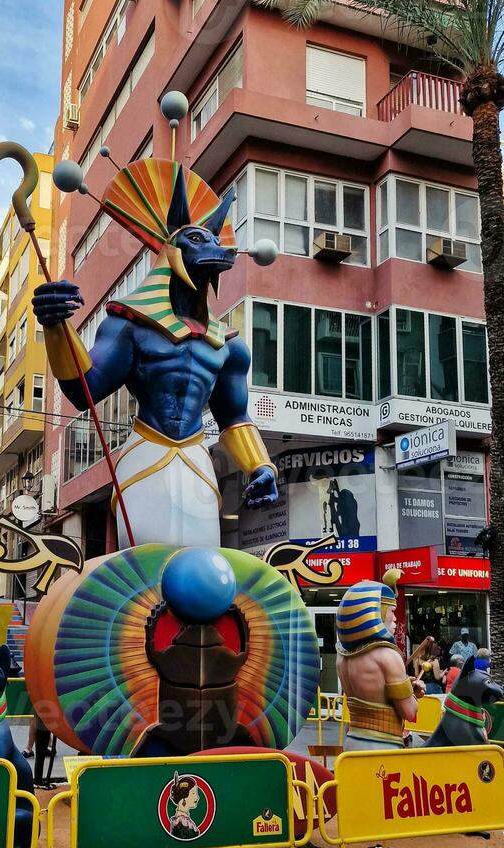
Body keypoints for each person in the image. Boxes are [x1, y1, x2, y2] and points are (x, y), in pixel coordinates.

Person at [33, 161, 279, 550]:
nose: (216, 248)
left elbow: (234, 418)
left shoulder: (229, 345)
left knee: (202, 573)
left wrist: (260, 465)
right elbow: (85, 389)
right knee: (146, 572)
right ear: (171, 251)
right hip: (145, 456)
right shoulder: (130, 324)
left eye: (215, 240)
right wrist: (56, 327)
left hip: (198, 462)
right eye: (199, 240)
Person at [336, 570, 425, 751]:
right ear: (375, 612)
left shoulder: (342, 656)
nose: (395, 618)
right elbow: (408, 711)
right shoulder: (387, 656)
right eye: (391, 611)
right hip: (383, 746)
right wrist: (415, 693)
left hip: (352, 741)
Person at [168, 773, 201, 840]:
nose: (197, 797)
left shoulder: (180, 820)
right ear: (184, 796)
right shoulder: (182, 822)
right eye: (193, 793)